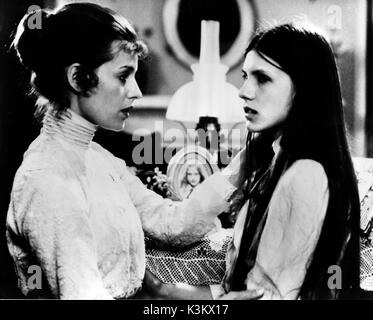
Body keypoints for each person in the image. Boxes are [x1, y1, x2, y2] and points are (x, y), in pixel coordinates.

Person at [5, 2, 254, 299]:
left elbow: (171, 223)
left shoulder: (99, 160)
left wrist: (242, 166)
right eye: (123, 76)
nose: (136, 91)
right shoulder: (47, 178)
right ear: (77, 78)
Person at [140, 23, 361, 300]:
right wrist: (166, 291)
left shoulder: (305, 173)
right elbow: (247, 288)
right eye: (245, 76)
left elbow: (271, 296)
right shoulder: (274, 163)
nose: (243, 90)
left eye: (262, 78)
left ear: (305, 87)